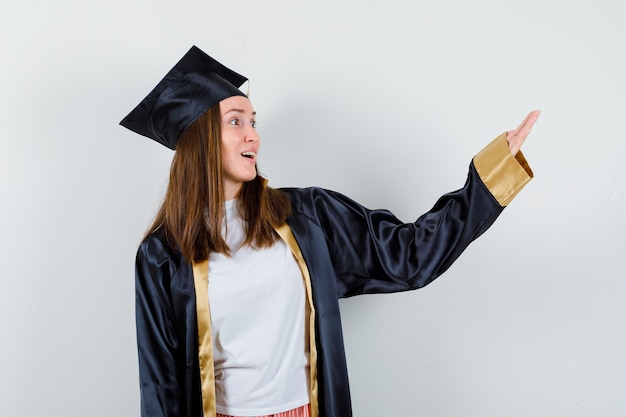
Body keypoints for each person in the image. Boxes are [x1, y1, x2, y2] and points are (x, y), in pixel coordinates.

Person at [120, 45, 539, 417]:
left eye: (253, 120)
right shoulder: (163, 255)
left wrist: (487, 179)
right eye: (236, 122)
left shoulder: (305, 216)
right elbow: (161, 385)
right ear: (201, 139)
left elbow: (409, 257)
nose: (254, 135)